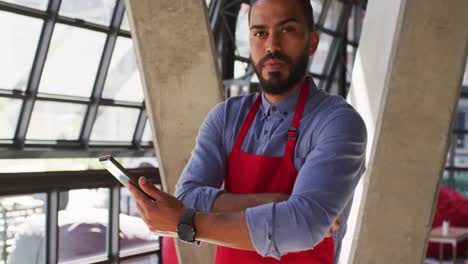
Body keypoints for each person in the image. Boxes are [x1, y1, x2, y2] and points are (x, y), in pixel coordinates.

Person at [126, 0, 367, 263]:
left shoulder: (338, 122)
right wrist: (279, 202)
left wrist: (189, 223)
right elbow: (188, 195)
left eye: (287, 30)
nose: (272, 45)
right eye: (260, 33)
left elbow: (303, 226)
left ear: (312, 42)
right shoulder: (227, 116)